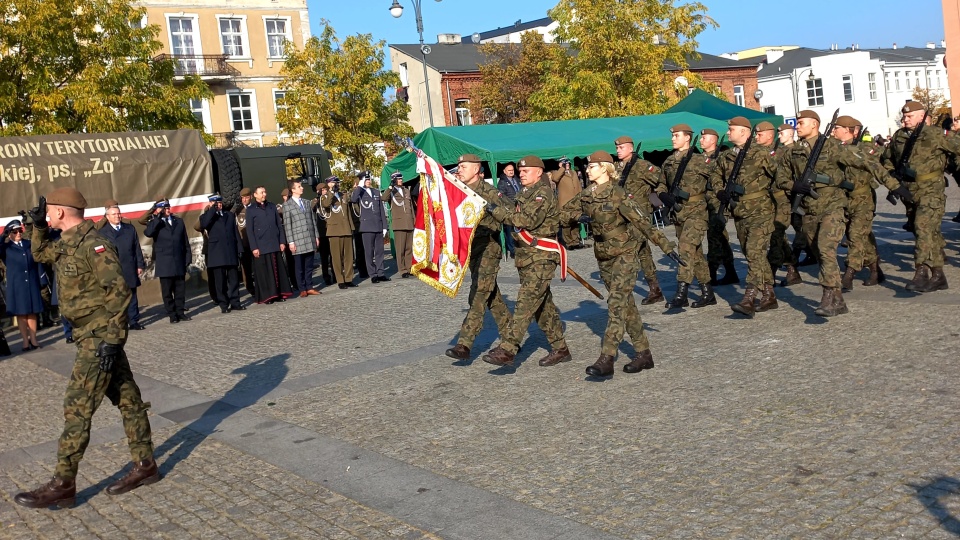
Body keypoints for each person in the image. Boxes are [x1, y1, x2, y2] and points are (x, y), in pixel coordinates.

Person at [15, 187, 157, 509]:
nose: (47, 214)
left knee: (76, 407)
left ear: (62, 213)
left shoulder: (95, 245)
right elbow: (38, 255)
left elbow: (119, 293)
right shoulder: (66, 244)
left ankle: (63, 483)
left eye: (49, 211)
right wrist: (37, 226)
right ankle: (146, 464)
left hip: (98, 338)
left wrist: (112, 341)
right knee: (128, 399)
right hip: (89, 335)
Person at [558, 150, 682, 376]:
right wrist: (578, 217)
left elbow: (643, 223)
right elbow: (563, 214)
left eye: (592, 166)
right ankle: (644, 354)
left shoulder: (618, 194)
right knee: (626, 305)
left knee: (616, 304)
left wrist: (667, 247)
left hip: (625, 253)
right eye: (587, 166)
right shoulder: (587, 194)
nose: (587, 170)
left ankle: (607, 358)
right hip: (603, 255)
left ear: (605, 168)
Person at [777, 110, 910, 316]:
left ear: (814, 124)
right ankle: (838, 299)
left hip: (833, 206)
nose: (797, 126)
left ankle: (829, 295)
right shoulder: (793, 151)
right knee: (818, 252)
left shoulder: (832, 147)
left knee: (825, 248)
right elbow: (781, 178)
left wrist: (894, 186)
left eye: (801, 123)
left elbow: (868, 162)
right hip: (809, 210)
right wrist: (795, 185)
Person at [471, 155, 571, 368]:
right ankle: (560, 348)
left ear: (539, 172)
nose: (521, 173)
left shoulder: (542, 193)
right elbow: (510, 209)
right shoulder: (524, 193)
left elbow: (525, 220)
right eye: (520, 171)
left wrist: (493, 210)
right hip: (526, 256)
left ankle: (508, 348)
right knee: (542, 306)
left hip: (542, 256)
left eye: (526, 171)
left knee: (525, 302)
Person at [881, 100, 960, 292]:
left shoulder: (935, 135)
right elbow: (886, 158)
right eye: (904, 116)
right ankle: (939, 276)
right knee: (926, 233)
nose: (905, 119)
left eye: (909, 116)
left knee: (922, 227)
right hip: (909, 192)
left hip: (931, 189)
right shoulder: (899, 136)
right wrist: (893, 174)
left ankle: (921, 272)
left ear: (921, 116)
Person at [445, 154, 513, 361]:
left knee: (478, 293)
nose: (459, 170)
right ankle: (512, 336)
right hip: (471, 250)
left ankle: (464, 344)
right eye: (458, 166)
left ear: (476, 170)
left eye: (464, 166)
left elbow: (510, 211)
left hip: (488, 248)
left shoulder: (489, 191)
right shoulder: (459, 191)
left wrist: (493, 213)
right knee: (491, 295)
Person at [710, 117, 778, 317]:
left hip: (761, 211)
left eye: (732, 129)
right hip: (739, 212)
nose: (728, 132)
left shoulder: (762, 154)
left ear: (745, 132)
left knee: (755, 252)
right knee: (751, 254)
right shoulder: (727, 156)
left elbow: (781, 177)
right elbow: (715, 175)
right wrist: (719, 191)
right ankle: (769, 294)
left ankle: (749, 297)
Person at [654, 123, 718, 310]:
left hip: (697, 211)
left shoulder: (700, 160)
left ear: (688, 138)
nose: (673, 138)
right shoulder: (668, 161)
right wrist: (663, 194)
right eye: (672, 136)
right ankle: (708, 293)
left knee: (685, 247)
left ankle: (682, 292)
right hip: (678, 212)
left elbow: (717, 180)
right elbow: (661, 184)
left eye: (676, 136)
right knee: (695, 254)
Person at [832, 116, 884, 290]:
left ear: (847, 130)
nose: (833, 131)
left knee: (855, 235)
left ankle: (849, 273)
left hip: (863, 199)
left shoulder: (863, 149)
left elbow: (878, 165)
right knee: (862, 236)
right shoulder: (834, 149)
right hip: (844, 200)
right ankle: (876, 269)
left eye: (836, 128)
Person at [613, 135, 664, 305]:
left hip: (640, 214)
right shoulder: (617, 168)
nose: (618, 150)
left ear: (630, 148)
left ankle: (623, 290)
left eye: (621, 148)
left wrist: (656, 198)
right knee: (643, 252)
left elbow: (660, 179)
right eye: (617, 148)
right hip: (624, 216)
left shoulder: (642, 166)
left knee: (630, 250)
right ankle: (654, 288)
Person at [700, 128, 739, 287]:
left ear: (713, 140)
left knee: (715, 236)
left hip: (718, 201)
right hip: (704, 202)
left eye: (704, 138)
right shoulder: (699, 158)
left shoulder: (723, 157)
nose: (701, 140)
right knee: (719, 238)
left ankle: (713, 271)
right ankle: (730, 271)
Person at [99, 202, 147, 329]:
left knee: (132, 295)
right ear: (107, 217)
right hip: (113, 270)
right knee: (116, 298)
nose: (117, 216)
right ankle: (119, 323)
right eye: (114, 214)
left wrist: (140, 265)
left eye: (119, 213)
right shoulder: (102, 233)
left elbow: (137, 248)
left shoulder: (129, 229)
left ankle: (134, 321)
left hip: (129, 266)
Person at [143, 200, 191, 323]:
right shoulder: (156, 223)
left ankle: (180, 312)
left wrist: (188, 257)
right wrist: (157, 217)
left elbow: (185, 241)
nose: (168, 210)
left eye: (168, 207)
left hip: (178, 260)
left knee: (180, 289)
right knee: (167, 291)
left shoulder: (178, 221)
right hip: (165, 262)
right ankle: (172, 314)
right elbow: (148, 233)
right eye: (164, 208)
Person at [767, 123, 802, 286]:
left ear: (790, 134)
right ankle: (792, 269)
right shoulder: (778, 150)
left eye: (781, 132)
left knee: (776, 234)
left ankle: (770, 273)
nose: (779, 134)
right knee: (778, 236)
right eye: (778, 132)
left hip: (787, 199)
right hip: (774, 199)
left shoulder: (797, 151)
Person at [0, 220, 43, 351]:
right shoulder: (6, 248)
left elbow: (38, 261)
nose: (18, 233)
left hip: (31, 281)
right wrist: (3, 236)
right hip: (16, 285)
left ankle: (34, 339)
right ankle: (25, 341)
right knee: (21, 314)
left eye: (20, 231)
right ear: (9, 234)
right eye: (14, 231)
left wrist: (42, 280)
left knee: (32, 312)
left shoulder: (28, 244)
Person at [246, 186, 294, 304]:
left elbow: (279, 225)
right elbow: (250, 231)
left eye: (265, 192)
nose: (264, 194)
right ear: (255, 195)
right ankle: (268, 296)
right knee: (265, 272)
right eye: (261, 192)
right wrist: (254, 247)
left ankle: (279, 293)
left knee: (277, 270)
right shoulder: (251, 210)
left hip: (274, 243)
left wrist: (282, 241)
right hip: (261, 245)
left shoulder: (272, 206)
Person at [200, 193, 245, 312]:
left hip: (230, 251)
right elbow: (204, 225)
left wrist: (239, 248)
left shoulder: (229, 215)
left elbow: (235, 233)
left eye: (219, 203)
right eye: (216, 203)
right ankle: (224, 304)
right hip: (217, 254)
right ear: (210, 203)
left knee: (234, 280)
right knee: (220, 282)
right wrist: (212, 210)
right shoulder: (206, 216)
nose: (218, 205)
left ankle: (235, 302)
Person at [282, 179, 322, 297]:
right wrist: (291, 242)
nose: (302, 188)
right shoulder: (287, 205)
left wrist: (316, 236)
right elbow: (288, 226)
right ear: (293, 190)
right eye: (299, 186)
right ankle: (302, 288)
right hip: (297, 239)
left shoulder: (306, 202)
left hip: (309, 237)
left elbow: (312, 220)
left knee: (309, 265)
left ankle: (309, 286)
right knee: (299, 266)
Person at [351, 172, 390, 283]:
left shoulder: (376, 192)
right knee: (369, 252)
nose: (368, 181)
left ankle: (381, 273)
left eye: (369, 180)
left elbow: (381, 210)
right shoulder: (359, 192)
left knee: (379, 251)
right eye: (366, 180)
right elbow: (353, 199)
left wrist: (384, 226)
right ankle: (373, 274)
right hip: (367, 226)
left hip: (377, 225)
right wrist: (359, 186)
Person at [319, 176, 357, 289]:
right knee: (336, 257)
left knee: (349, 257)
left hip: (346, 228)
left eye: (337, 183)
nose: (336, 185)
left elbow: (348, 212)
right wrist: (331, 192)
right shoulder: (324, 197)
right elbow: (326, 205)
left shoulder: (343, 195)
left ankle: (349, 278)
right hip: (334, 230)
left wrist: (351, 227)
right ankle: (340, 279)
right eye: (334, 183)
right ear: (329, 184)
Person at [382, 171, 416, 278]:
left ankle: (409, 267)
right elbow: (383, 198)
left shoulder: (406, 191)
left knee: (409, 248)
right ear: (394, 180)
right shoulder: (391, 192)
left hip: (409, 222)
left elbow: (410, 207)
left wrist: (414, 220)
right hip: (399, 223)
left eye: (401, 178)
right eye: (399, 179)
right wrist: (390, 187)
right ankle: (402, 270)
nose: (401, 180)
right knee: (400, 248)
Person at [549, 157, 584, 249]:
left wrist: (581, 197)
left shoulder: (573, 172)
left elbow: (578, 186)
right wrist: (562, 168)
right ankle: (569, 243)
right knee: (566, 224)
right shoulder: (557, 173)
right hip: (565, 203)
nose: (567, 165)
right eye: (565, 163)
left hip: (575, 202)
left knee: (575, 223)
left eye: (568, 163)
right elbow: (555, 179)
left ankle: (576, 241)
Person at [234, 187, 255, 295]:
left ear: (251, 197)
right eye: (242, 198)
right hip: (244, 243)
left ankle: (261, 287)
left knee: (257, 267)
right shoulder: (238, 211)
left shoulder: (255, 208)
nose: (244, 200)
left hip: (255, 243)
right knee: (246, 268)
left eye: (246, 197)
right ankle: (250, 289)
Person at [497, 162, 521, 258]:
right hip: (509, 209)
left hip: (519, 208)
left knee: (518, 230)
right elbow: (501, 196)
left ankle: (519, 247)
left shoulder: (517, 179)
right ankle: (512, 250)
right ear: (504, 171)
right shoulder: (502, 182)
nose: (511, 172)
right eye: (509, 170)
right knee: (509, 231)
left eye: (512, 170)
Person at [312, 185, 334, 286]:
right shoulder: (316, 201)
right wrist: (317, 200)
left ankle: (335, 274)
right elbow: (312, 209)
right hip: (322, 233)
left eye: (325, 189)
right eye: (322, 190)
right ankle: (326, 277)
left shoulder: (330, 198)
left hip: (331, 230)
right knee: (324, 257)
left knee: (334, 255)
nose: (324, 191)